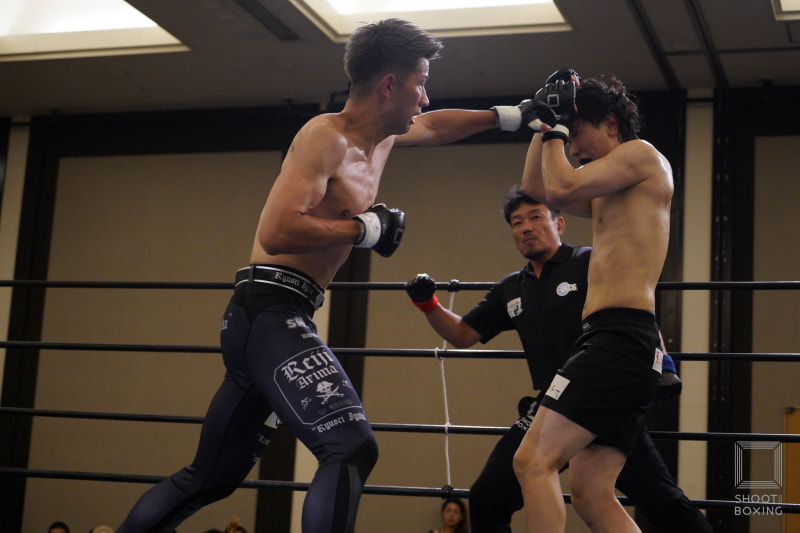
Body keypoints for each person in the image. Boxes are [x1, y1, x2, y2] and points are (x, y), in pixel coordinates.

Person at [116, 18, 529, 533]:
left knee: (210, 477)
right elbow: (276, 232)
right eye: (421, 82)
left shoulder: (382, 138)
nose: (425, 97)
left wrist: (514, 116)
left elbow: (436, 127)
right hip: (269, 311)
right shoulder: (325, 137)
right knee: (351, 447)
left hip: (274, 316)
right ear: (388, 85)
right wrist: (363, 229)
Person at [405, 185, 710, 533]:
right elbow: (462, 334)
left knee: (658, 500)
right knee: (489, 495)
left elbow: (635, 307)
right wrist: (427, 303)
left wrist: (664, 362)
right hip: (553, 401)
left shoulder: (588, 261)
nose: (526, 227)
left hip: (608, 393)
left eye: (535, 217)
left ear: (559, 224)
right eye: (517, 222)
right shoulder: (511, 288)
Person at [510, 69, 675, 533]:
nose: (575, 151)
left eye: (578, 134)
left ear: (610, 123)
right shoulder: (611, 187)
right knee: (590, 491)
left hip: (619, 338)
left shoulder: (641, 156)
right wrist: (545, 124)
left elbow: (560, 187)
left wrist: (557, 128)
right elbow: (538, 189)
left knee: (532, 461)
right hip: (615, 339)